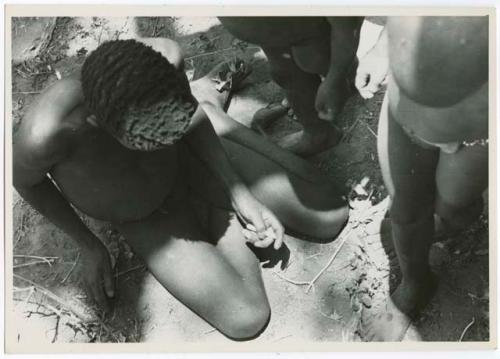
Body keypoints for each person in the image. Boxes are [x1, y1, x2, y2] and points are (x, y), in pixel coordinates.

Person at [13, 38, 349, 341]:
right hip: (147, 217)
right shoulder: (45, 134)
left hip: (190, 162)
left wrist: (240, 194)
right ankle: (216, 190)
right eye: (143, 142)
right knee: (247, 318)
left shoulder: (162, 60)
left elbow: (190, 119)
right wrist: (88, 245)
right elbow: (25, 181)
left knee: (329, 215)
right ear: (98, 123)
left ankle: (212, 110)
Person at [362, 16, 488, 341]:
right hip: (405, 113)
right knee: (405, 209)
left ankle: (443, 223)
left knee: (455, 208)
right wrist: (380, 48)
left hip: (477, 136)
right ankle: (415, 282)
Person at [218, 17, 364, 156]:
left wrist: (335, 79)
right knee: (284, 72)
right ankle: (318, 133)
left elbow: (347, 27)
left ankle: (351, 79)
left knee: (318, 59)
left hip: (308, 28)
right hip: (274, 30)